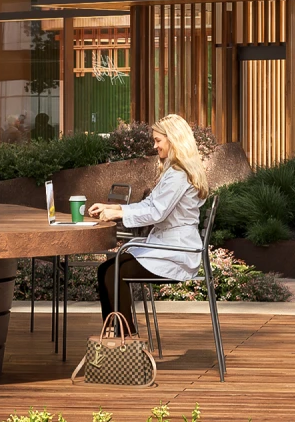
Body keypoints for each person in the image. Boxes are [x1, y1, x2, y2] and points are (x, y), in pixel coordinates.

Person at [89, 113, 208, 325]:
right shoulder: (173, 171)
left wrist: (119, 214)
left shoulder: (179, 174)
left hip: (177, 253)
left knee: (114, 271)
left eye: (158, 140)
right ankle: (114, 336)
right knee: (106, 269)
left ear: (174, 139)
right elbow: (150, 205)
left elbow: (156, 213)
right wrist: (113, 207)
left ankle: (124, 340)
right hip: (167, 247)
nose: (155, 146)